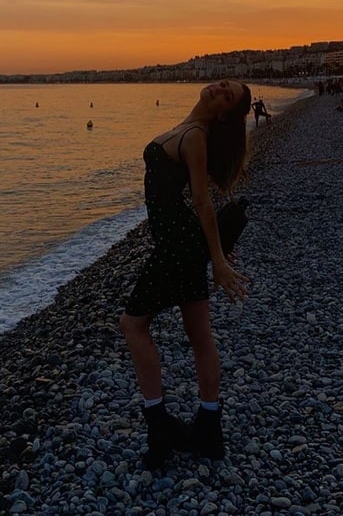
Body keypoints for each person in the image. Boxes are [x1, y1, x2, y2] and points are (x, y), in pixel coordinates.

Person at [120, 79, 252, 468]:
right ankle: (209, 429)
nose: (219, 89)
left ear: (224, 111)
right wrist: (210, 258)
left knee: (132, 325)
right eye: (224, 85)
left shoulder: (195, 136)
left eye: (227, 96)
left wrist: (219, 261)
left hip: (177, 248)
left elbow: (201, 202)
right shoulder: (189, 129)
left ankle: (159, 427)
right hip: (182, 247)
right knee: (199, 334)